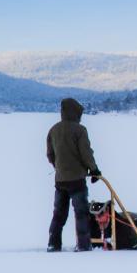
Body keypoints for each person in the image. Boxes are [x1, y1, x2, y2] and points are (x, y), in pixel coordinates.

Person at [46, 98, 101, 252]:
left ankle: (53, 244)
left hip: (60, 180)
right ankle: (84, 246)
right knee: (81, 214)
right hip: (77, 180)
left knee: (59, 215)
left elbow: (50, 154)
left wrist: (59, 167)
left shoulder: (53, 130)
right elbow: (86, 153)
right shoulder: (80, 130)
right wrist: (94, 170)